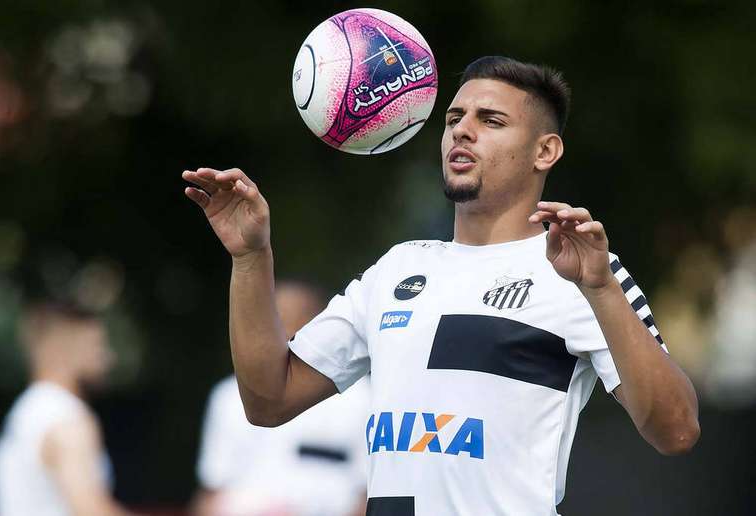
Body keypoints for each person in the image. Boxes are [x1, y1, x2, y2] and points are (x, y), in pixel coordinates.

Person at [182, 56, 700, 516]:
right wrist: (251, 257)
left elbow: (676, 431)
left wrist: (602, 288)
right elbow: (268, 400)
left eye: (491, 120)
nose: (462, 131)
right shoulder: (396, 270)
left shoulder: (583, 268)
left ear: (545, 151)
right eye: (454, 119)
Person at [193, 280, 369, 516]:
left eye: (293, 318)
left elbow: (367, 492)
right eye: (273, 318)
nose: (282, 330)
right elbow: (213, 489)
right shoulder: (227, 396)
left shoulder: (361, 397)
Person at [0, 301, 136, 516]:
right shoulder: (67, 419)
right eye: (96, 346)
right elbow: (91, 510)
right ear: (66, 350)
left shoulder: (26, 413)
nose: (107, 358)